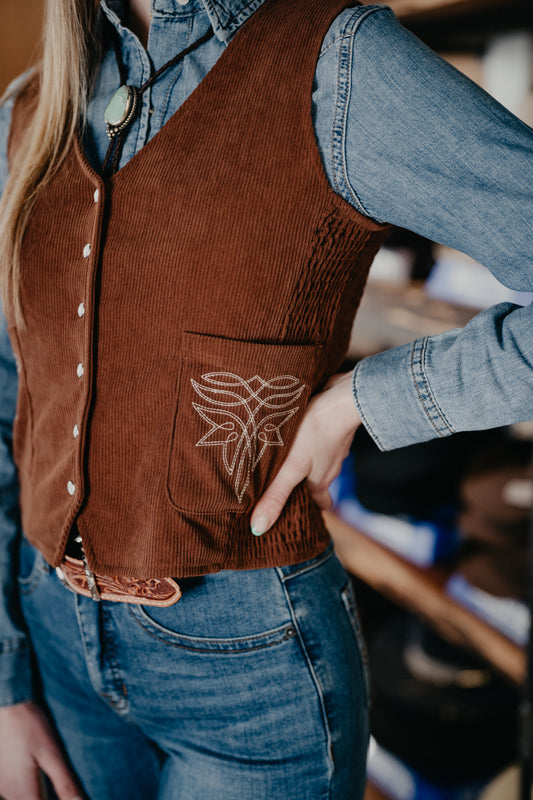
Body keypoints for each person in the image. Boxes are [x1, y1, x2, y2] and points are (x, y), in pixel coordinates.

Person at [0, 0, 531, 797]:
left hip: (247, 669)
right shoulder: (30, 106)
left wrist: (362, 399)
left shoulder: (338, 63)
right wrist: (6, 680)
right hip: (50, 639)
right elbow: (8, 396)